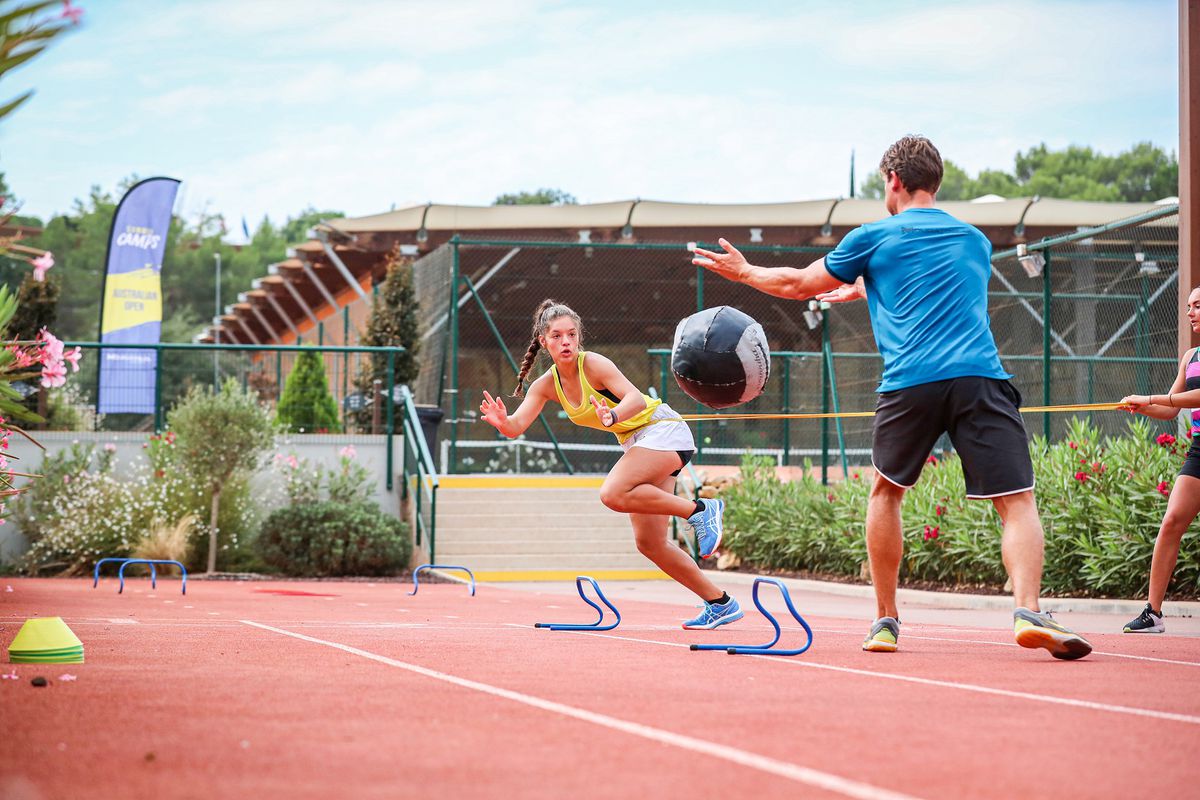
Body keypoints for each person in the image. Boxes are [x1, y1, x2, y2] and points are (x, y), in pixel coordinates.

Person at [692, 135, 1092, 659]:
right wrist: (870, 287)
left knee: (886, 494)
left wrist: (745, 272)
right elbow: (940, 284)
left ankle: (885, 620)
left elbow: (798, 285)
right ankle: (1028, 609)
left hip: (911, 382)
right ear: (935, 182)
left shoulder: (872, 237)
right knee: (1016, 502)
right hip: (979, 377)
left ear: (894, 181)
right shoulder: (974, 240)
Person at [478, 298, 744, 630]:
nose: (566, 342)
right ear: (543, 341)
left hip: (662, 430)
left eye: (572, 335)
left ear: (579, 338)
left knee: (612, 493)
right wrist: (502, 422)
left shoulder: (594, 364)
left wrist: (613, 415)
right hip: (640, 443)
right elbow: (516, 427)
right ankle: (720, 603)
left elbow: (633, 397)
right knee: (649, 543)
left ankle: (701, 511)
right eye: (557, 336)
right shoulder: (546, 385)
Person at [1117, 285, 1200, 633]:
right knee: (1171, 523)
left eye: (1197, 305)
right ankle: (1153, 613)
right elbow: (1172, 405)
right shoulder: (1191, 356)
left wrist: (1150, 396)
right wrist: (1143, 406)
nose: (1190, 312)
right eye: (1188, 306)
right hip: (1199, 448)